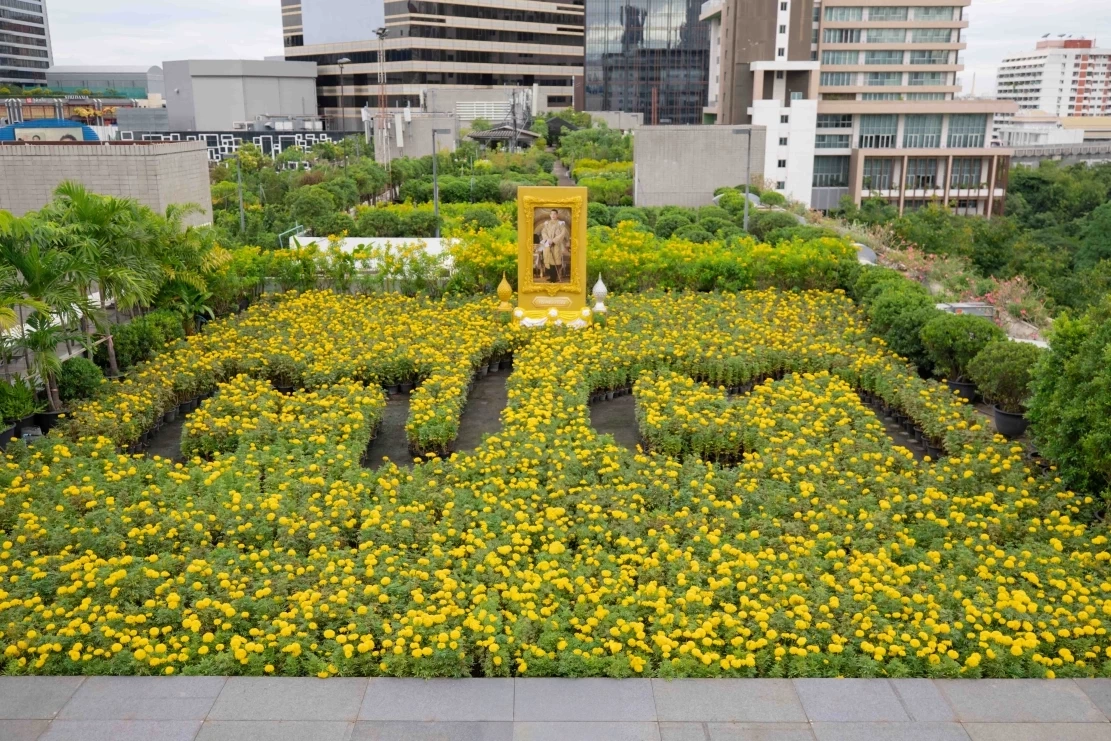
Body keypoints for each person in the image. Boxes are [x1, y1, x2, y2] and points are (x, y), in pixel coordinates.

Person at [538, 210, 569, 283]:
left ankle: (554, 278)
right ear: (550, 215)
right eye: (551, 214)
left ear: (557, 215)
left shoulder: (560, 224)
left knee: (555, 260)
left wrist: (553, 240)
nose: (553, 215)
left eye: (554, 214)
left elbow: (562, 234)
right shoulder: (547, 223)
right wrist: (548, 239)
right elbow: (543, 232)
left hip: (556, 245)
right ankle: (551, 277)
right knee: (548, 260)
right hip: (548, 244)